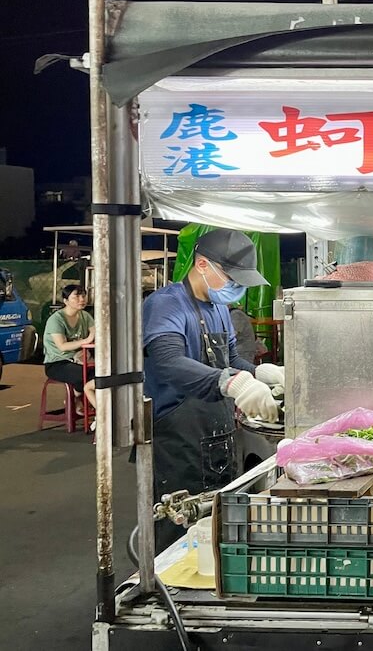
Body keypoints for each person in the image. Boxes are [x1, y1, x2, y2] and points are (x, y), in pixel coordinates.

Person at [142, 229, 284, 550]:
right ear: (203, 264)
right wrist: (229, 382)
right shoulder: (165, 305)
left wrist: (262, 373)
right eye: (232, 278)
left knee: (216, 530)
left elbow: (231, 359)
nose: (236, 288)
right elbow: (168, 361)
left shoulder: (219, 308)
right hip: (179, 444)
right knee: (179, 534)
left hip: (218, 438)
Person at [43, 284, 97, 419]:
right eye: (76, 296)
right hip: (57, 363)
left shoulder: (85, 316)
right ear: (65, 300)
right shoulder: (56, 319)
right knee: (86, 374)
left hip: (80, 359)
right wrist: (87, 340)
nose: (81, 299)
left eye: (83, 295)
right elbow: (62, 346)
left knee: (100, 372)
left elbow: (96, 332)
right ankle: (100, 412)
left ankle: (77, 397)